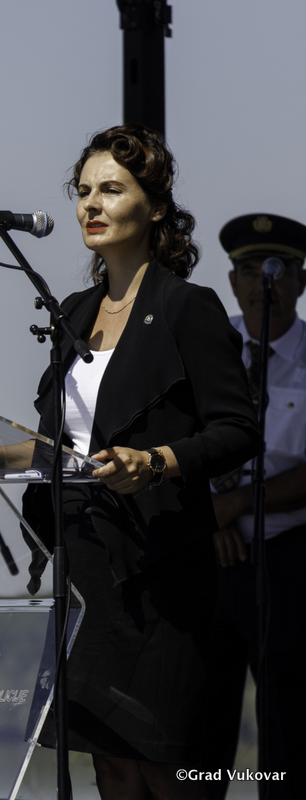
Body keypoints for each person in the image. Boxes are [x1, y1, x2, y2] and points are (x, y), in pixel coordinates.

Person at [0, 124, 260, 800]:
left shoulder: (187, 308)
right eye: (83, 191)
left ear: (157, 207)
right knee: (110, 766)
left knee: (167, 768)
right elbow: (62, 446)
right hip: (87, 574)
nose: (91, 204)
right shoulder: (73, 314)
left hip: (163, 574)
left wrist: (158, 460)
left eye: (111, 189)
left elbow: (238, 430)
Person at [202, 213, 306, 799]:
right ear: (233, 282)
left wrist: (236, 503)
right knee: (200, 725)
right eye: (248, 270)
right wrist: (210, 512)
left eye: (278, 268)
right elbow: (176, 441)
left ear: (301, 280)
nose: (263, 282)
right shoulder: (207, 350)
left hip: (289, 560)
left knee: (287, 730)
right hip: (210, 561)